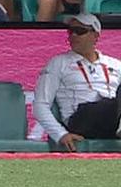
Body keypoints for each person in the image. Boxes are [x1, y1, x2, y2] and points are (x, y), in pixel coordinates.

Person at [32, 13, 121, 152]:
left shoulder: (115, 64)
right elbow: (40, 105)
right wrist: (60, 134)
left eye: (80, 31)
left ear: (95, 36)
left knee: (113, 104)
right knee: (111, 105)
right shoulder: (58, 62)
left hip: (111, 116)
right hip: (81, 118)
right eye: (71, 31)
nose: (73, 35)